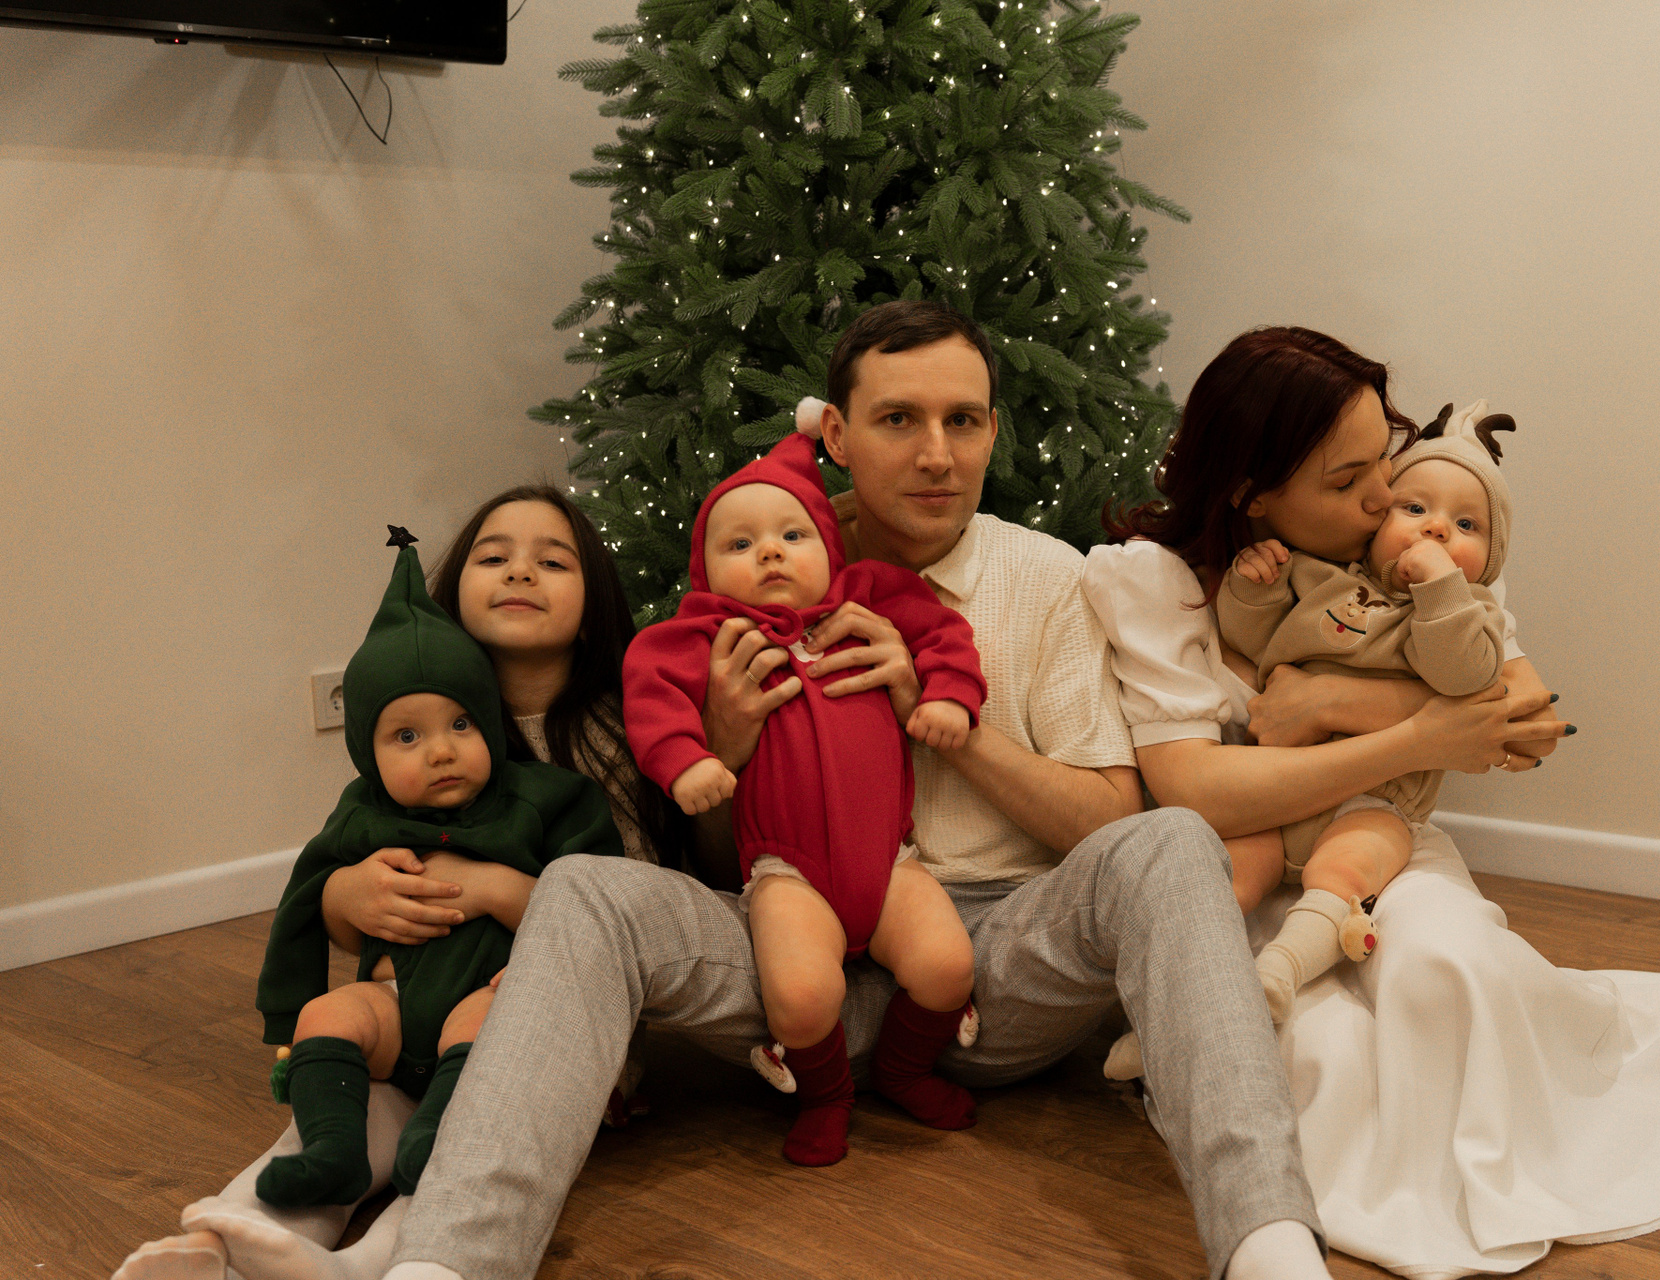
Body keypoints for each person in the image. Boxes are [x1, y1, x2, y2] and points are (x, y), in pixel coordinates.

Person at [362, 300, 1463, 1280]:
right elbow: (709, 862)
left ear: (992, 430)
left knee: (1172, 840)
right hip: (787, 958)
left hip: (991, 967)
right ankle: (450, 1257)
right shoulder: (746, 562)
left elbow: (1111, 822)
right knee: (585, 890)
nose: (938, 454)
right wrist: (729, 747)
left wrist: (950, 725)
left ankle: (1267, 1241)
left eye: (964, 420)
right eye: (899, 419)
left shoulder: (1047, 578)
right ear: (837, 435)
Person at [1082, 325, 1660, 1278]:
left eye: (1380, 461)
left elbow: (1527, 718)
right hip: (1243, 853)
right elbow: (1196, 790)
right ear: (1252, 494)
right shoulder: (1159, 583)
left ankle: (1510, 1164)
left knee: (1450, 973)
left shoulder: (1414, 546)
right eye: (1349, 482)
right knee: (1326, 1054)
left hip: (1377, 829)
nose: (1383, 498)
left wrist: (1335, 703)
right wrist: (1427, 732)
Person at [116, 488, 679, 1280]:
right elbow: (334, 888)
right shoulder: (410, 724)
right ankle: (230, 1241)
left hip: (540, 1025)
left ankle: (375, 1262)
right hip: (407, 1008)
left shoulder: (614, 739)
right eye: (494, 556)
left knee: (463, 1141)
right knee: (338, 1118)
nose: (520, 571)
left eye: (552, 561)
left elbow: (628, 914)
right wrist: (346, 896)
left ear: (593, 607)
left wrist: (488, 888)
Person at [624, 421, 987, 1165]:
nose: (770, 553)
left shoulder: (870, 599)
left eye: (793, 535)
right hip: (788, 871)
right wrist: (685, 759)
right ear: (704, 571)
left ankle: (904, 1070)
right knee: (798, 998)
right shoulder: (706, 632)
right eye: (740, 544)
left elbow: (944, 634)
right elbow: (649, 685)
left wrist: (950, 695)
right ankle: (826, 1096)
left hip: (889, 861)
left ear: (829, 547)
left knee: (949, 967)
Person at [252, 527, 622, 1207]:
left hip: (492, 995)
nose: (441, 752)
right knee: (329, 1014)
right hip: (392, 1004)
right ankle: (333, 1151)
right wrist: (338, 904)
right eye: (406, 736)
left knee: (488, 1022)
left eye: (461, 725)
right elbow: (305, 903)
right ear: (366, 754)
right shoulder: (361, 814)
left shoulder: (543, 799)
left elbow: (600, 903)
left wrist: (504, 895)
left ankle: (436, 1141)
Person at [1213, 399, 1520, 1028]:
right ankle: (1185, 994)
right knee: (1232, 871)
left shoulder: (1472, 613)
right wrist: (1252, 587)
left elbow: (1464, 676)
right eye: (1416, 509)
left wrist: (1441, 587)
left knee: (1345, 868)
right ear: (1378, 522)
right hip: (1282, 785)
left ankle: (1278, 974)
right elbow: (1255, 639)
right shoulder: (1323, 578)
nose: (1437, 530)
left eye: (1466, 524)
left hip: (1376, 801)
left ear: (1490, 560)